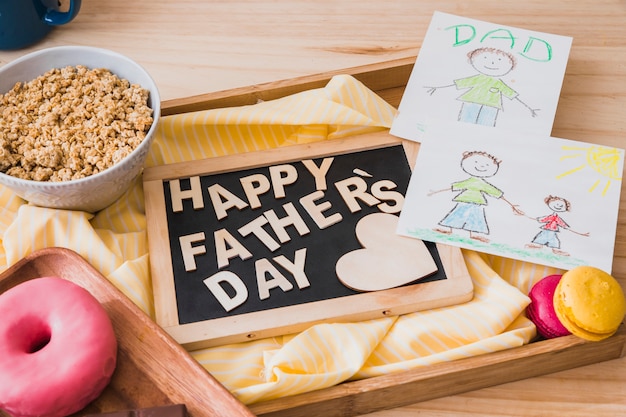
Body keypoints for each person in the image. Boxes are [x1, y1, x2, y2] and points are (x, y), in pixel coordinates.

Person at [426, 47, 539, 127]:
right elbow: (459, 83)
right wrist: (438, 87)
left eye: (499, 60)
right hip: (471, 101)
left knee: (486, 125)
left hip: (491, 106)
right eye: (485, 58)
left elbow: (512, 95)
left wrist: (529, 108)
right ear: (472, 59)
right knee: (465, 122)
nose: (492, 63)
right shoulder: (477, 79)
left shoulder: (499, 83)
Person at [429, 150, 522, 243]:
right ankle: (449, 230)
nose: (481, 166)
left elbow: (497, 193)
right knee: (457, 215)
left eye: (487, 165)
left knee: (476, 218)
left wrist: (512, 204)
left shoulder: (483, 184)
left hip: (477, 203)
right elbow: (455, 186)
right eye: (476, 162)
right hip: (464, 201)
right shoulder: (470, 181)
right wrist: (435, 191)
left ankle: (474, 234)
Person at [525, 195, 589, 256]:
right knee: (541, 239)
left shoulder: (557, 218)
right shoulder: (551, 216)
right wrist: (525, 215)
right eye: (557, 204)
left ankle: (556, 250)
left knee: (555, 242)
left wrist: (581, 234)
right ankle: (536, 246)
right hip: (546, 231)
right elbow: (541, 219)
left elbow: (564, 226)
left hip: (553, 232)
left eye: (562, 206)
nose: (559, 206)